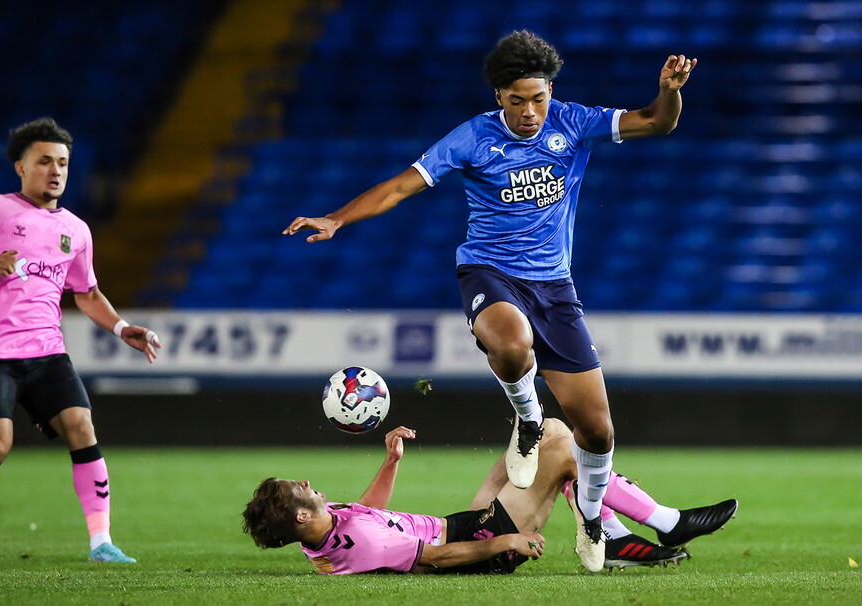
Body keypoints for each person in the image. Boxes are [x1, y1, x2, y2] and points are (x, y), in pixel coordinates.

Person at [283, 30, 699, 570]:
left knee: (597, 432)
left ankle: (595, 521)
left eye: (539, 98)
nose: (530, 112)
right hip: (489, 272)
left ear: (551, 90)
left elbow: (658, 121)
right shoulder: (473, 138)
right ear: (498, 97)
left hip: (555, 288)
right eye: (517, 100)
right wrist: (337, 217)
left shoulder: (573, 122)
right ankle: (528, 422)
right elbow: (401, 186)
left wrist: (669, 90)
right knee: (511, 342)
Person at [0, 117, 161, 564]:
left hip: (48, 353)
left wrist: (120, 327)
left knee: (82, 425)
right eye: (44, 161)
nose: (55, 171)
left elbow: (87, 293)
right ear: (21, 167)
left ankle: (101, 543)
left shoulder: (75, 229)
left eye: (63, 163)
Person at [242, 420, 737, 574]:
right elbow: (436, 559)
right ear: (300, 513)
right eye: (298, 489)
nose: (306, 483)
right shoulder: (364, 546)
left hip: (463, 521)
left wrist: (390, 462)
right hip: (478, 541)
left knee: (543, 430)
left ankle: (614, 538)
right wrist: (504, 544)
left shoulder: (328, 533)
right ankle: (665, 522)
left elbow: (373, 511)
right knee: (564, 450)